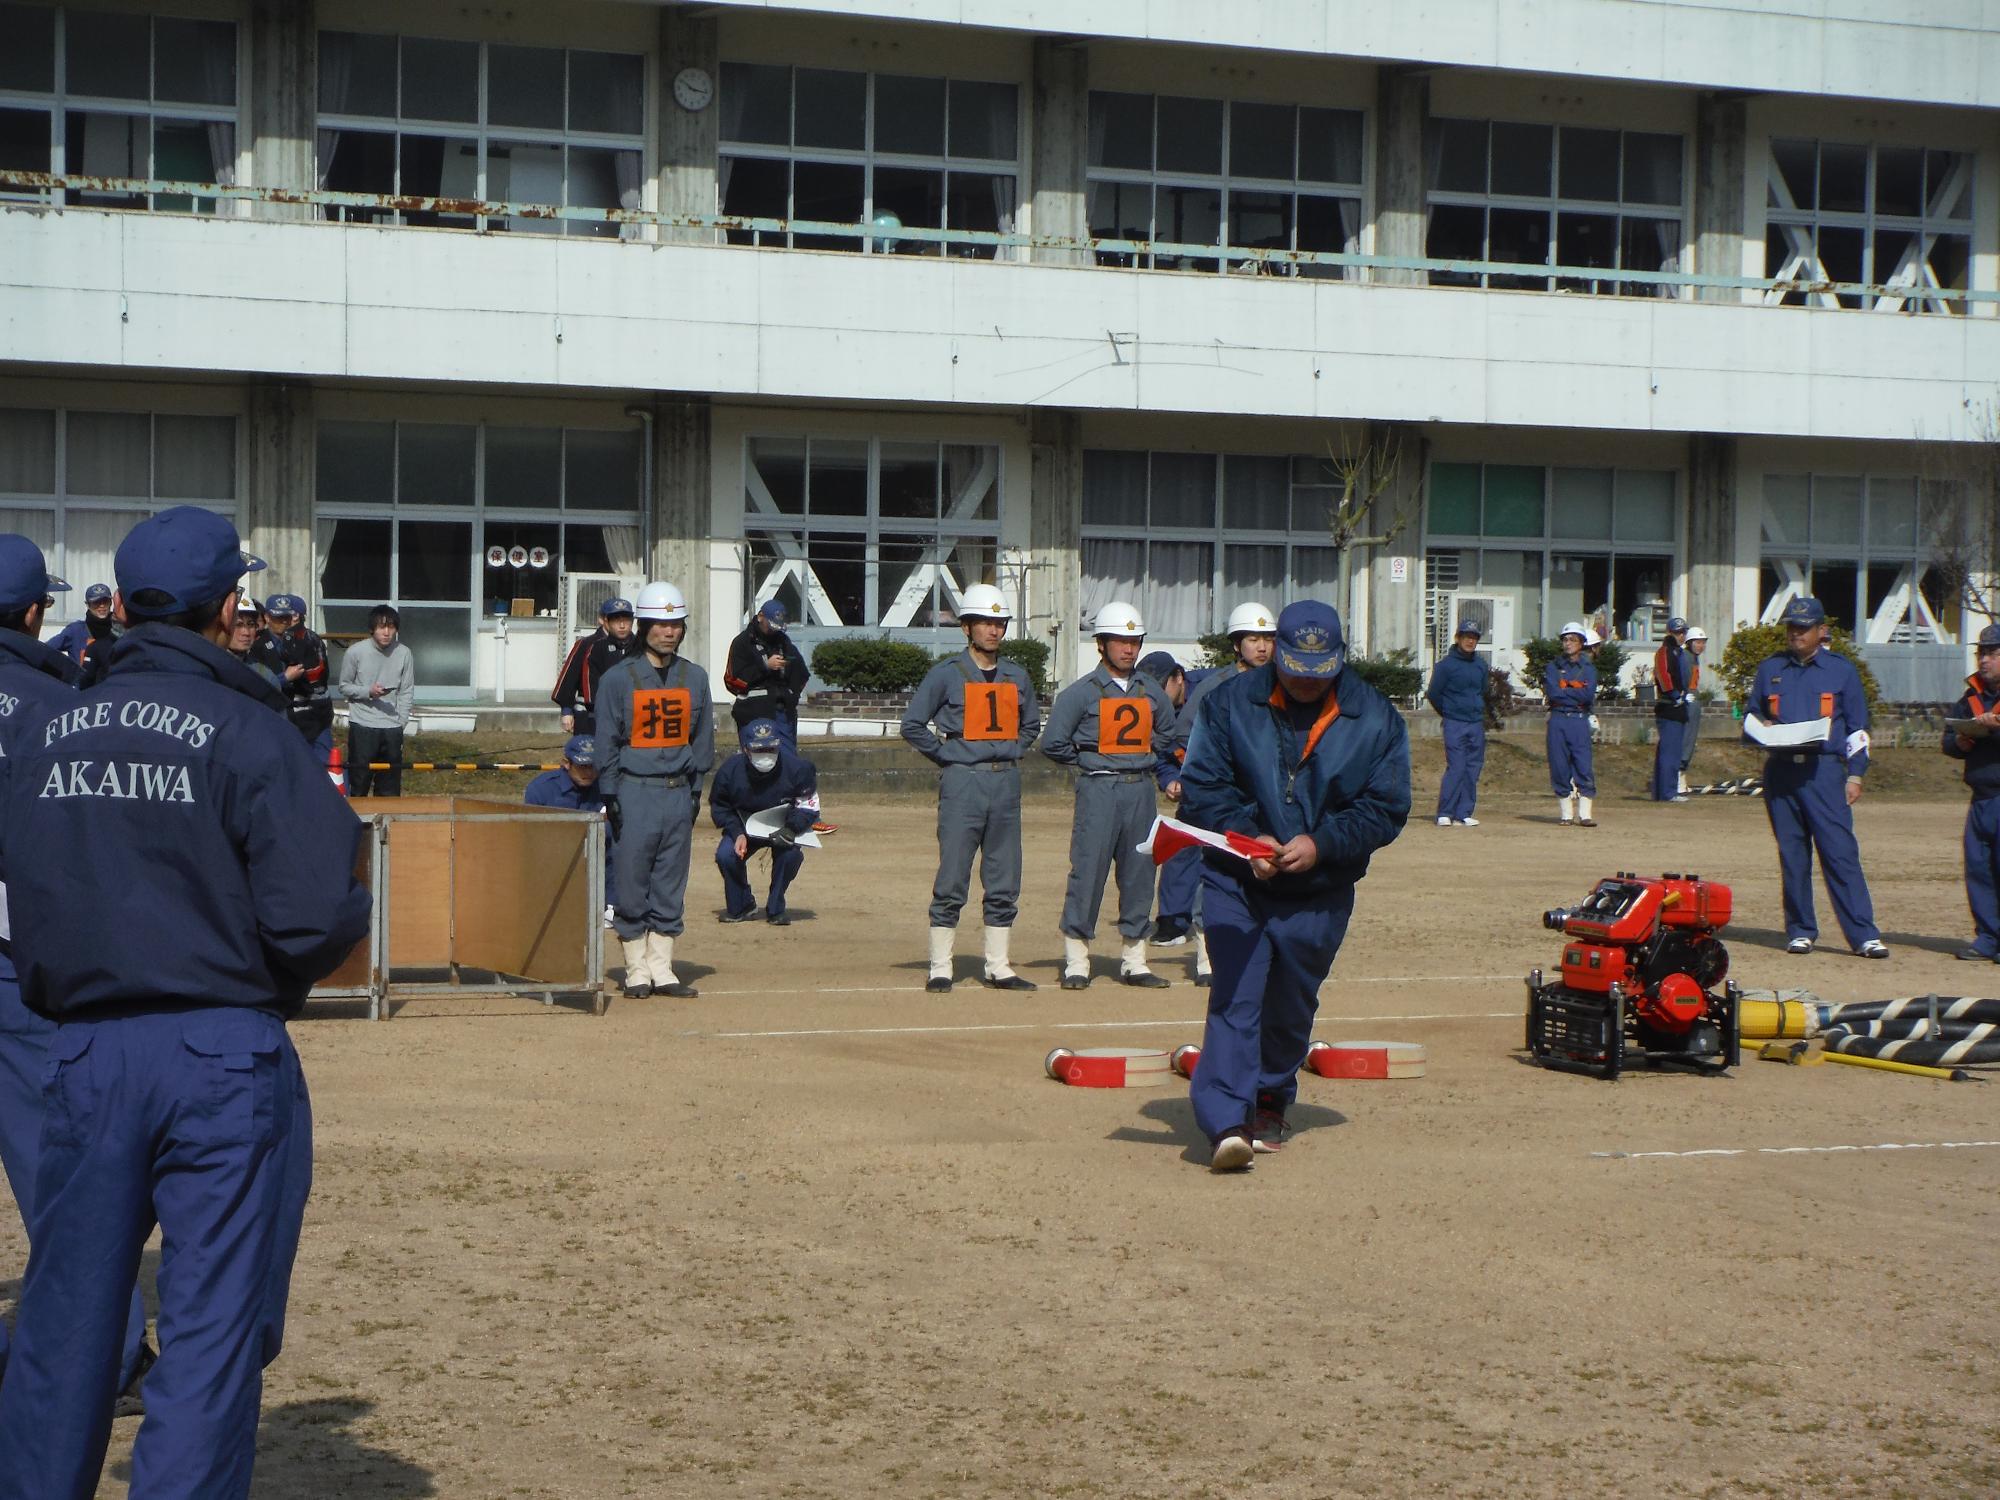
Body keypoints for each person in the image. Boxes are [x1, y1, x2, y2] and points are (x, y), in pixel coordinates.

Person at [0, 506, 369, 1500]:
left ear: (118, 606)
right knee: (209, 1333)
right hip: (218, 1048)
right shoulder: (251, 728)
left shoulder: (47, 725)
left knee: (65, 1319)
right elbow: (314, 913)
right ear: (227, 612)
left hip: (78, 1045)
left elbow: (24, 900)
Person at [0, 537, 154, 1420]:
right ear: (30, 613)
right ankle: (118, 1352)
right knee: (59, 1177)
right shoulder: (54, 705)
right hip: (23, 971)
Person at [1179, 601, 1411, 1172]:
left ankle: (1269, 1097)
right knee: (1236, 995)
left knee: (1290, 1004)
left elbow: (1385, 808)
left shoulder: (1376, 718)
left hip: (1321, 888)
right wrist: (1248, 839)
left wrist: (1323, 843)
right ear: (1275, 654)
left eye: (1320, 672)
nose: (1306, 684)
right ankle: (1225, 1123)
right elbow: (1203, 786)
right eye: (1295, 670)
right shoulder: (1229, 704)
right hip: (1240, 877)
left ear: (1339, 660)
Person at [900, 583, 1041, 993]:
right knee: (954, 871)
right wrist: (947, 756)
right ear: (966, 628)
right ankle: (941, 965)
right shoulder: (946, 673)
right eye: (985, 623)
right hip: (963, 782)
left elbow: (1031, 723)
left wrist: (1014, 748)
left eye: (999, 623)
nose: (993, 630)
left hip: (1006, 781)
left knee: (1004, 873)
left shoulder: (1017, 675)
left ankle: (998, 965)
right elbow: (912, 724)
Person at [1042, 602, 1177, 990]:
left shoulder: (1151, 690)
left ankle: (1135, 959)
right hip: (1098, 787)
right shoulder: (1080, 693)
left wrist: (1142, 757)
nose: (1129, 649)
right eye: (1120, 641)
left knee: (1140, 872)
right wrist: (1091, 759)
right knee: (1089, 869)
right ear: (1101, 644)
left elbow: (1166, 734)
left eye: (1135, 641)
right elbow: (1054, 743)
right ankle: (1077, 960)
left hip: (1140, 789)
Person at [1745, 595, 1889, 958]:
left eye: (1803, 628)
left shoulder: (1840, 671)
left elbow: (1857, 728)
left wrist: (1855, 775)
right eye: (1792, 627)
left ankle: (1863, 934)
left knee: (1840, 853)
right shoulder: (1770, 669)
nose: (1796, 634)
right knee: (1793, 855)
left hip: (1824, 772)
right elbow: (1751, 715)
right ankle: (1800, 929)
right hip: (1781, 773)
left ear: (1821, 630)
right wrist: (1756, 727)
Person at [597, 581, 712, 999]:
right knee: (631, 879)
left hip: (678, 792)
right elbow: (607, 739)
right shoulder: (617, 680)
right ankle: (636, 970)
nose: (670, 632)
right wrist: (609, 792)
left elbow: (702, 741)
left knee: (670, 879)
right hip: (633, 790)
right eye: (662, 624)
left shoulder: (695, 678)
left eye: (676, 624)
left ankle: (663, 968)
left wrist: (696, 789)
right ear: (645, 626)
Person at [1157, 602, 1278, 983]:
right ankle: (1207, 958)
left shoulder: (1284, 686)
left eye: (1268, 639)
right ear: (1236, 644)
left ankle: (1266, 950)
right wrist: (1184, 777)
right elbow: (1180, 739)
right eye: (1253, 639)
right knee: (1214, 873)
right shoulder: (1213, 687)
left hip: (1267, 797)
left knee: (1267, 871)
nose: (1262, 647)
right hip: (1221, 798)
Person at [710, 718, 820, 925]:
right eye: (758, 750)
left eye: (771, 748)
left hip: (783, 826)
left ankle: (776, 907)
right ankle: (741, 904)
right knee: (726, 855)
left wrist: (791, 829)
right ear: (745, 749)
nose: (766, 755)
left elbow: (809, 806)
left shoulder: (799, 769)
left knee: (791, 855)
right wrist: (736, 832)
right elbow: (720, 806)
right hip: (744, 826)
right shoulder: (729, 771)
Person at [1944, 622, 2000, 963]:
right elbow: (1947, 741)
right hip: (1979, 797)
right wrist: (1961, 741)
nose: (1985, 661)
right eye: (1982, 653)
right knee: (1978, 870)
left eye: (1993, 654)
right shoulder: (1970, 698)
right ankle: (1988, 937)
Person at [524, 734, 614, 919]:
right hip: (553, 864)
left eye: (593, 766)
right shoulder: (542, 789)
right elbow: (530, 838)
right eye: (582, 766)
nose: (588, 772)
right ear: (566, 763)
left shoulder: (607, 788)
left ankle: (610, 904)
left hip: (595, 860)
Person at [338, 604, 415, 798]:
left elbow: (406, 690)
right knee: (359, 782)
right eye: (382, 627)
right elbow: (344, 686)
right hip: (363, 725)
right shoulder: (355, 652)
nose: (387, 632)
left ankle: (386, 825)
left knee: (389, 787)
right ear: (372, 629)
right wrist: (368, 691)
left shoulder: (404, 653)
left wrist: (401, 722)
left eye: (391, 627)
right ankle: (357, 825)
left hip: (392, 727)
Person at [249, 593, 333, 756]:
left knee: (322, 763)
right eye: (278, 618)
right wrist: (284, 678)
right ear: (267, 617)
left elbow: (321, 678)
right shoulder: (258, 645)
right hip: (277, 716)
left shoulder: (308, 640)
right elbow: (257, 683)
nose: (284, 622)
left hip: (312, 715)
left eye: (287, 617)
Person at [1426, 618, 1487, 827]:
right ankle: (1445, 811)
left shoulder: (1480, 665)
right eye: (1466, 637)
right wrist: (1449, 712)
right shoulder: (1446, 666)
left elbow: (1483, 691)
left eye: (1474, 638)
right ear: (1458, 638)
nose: (1470, 641)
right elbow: (1434, 693)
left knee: (1473, 768)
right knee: (1457, 766)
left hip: (1476, 723)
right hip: (1454, 723)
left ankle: (1464, 812)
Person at [724, 600, 809, 747]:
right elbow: (732, 680)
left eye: (777, 627)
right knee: (757, 761)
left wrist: (791, 695)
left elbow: (801, 674)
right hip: (753, 713)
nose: (773, 631)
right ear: (760, 616)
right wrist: (765, 666)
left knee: (788, 761)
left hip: (783, 713)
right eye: (770, 626)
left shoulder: (784, 642)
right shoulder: (742, 642)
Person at [552, 596, 637, 736]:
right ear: (603, 620)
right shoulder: (587, 644)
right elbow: (569, 678)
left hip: (630, 715)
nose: (622, 625)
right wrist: (566, 711)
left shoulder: (638, 647)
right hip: (590, 715)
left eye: (626, 620)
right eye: (616, 619)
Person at [1545, 621, 1598, 827]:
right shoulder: (1553, 667)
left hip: (1578, 719)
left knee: (1583, 764)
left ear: (1581, 643)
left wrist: (1566, 689)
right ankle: (1566, 814)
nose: (1568, 644)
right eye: (1565, 639)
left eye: (1573, 640)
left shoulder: (1588, 668)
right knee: (1558, 765)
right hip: (1558, 718)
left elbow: (1587, 695)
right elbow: (1553, 693)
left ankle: (1585, 814)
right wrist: (1573, 690)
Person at [1651, 615, 1694, 802]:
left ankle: (1663, 791)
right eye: (1677, 632)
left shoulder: (1679, 652)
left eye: (1683, 632)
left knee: (1672, 751)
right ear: (1670, 633)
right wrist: (1674, 694)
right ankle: (1667, 792)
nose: (1681, 635)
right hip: (1669, 705)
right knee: (1670, 753)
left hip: (1678, 705)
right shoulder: (1665, 651)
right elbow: (1662, 674)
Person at [47, 580, 116, 667]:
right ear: (87, 604)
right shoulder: (75, 631)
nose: (101, 606)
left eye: (105, 601)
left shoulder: (118, 629)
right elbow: (45, 650)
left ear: (111, 603)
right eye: (96, 602)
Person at [1678, 625, 1710, 794]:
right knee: (1686, 738)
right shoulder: (1685, 657)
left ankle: (1682, 776)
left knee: (1690, 739)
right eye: (1697, 642)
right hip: (1687, 699)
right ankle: (1678, 776)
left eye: (1703, 642)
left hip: (1693, 698)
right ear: (1689, 642)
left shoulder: (1694, 658)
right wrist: (1685, 695)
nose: (1700, 646)